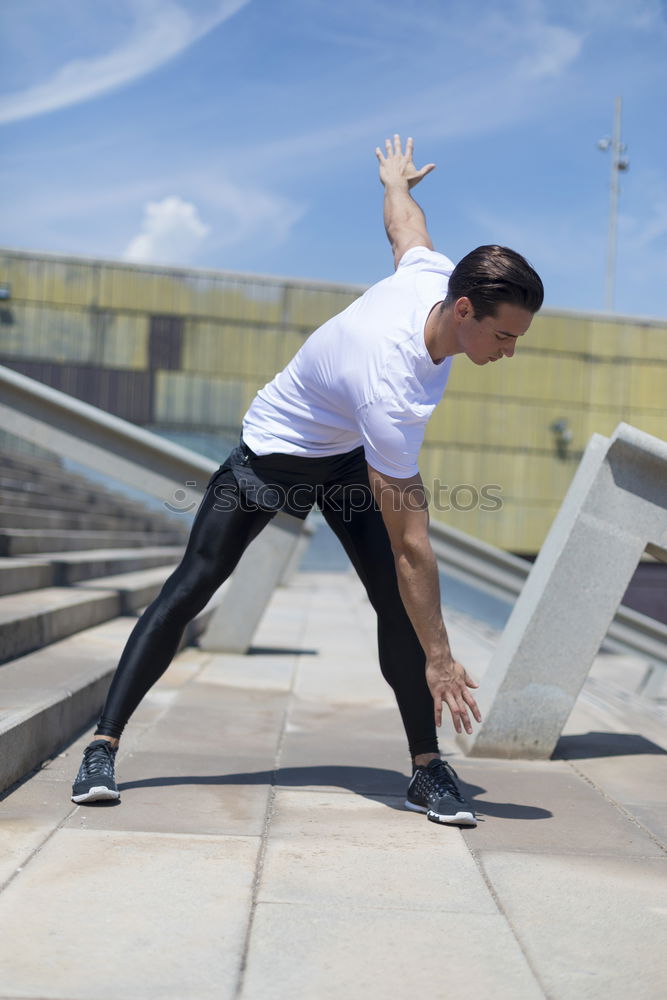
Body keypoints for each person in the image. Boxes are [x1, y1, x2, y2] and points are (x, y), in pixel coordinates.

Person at [72, 135, 543, 826]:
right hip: (273, 454)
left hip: (344, 455)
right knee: (191, 587)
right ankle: (102, 745)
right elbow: (414, 543)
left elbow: (404, 231)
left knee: (395, 604)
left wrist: (394, 183)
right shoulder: (392, 387)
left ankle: (425, 768)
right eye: (504, 337)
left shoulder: (432, 279)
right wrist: (441, 659)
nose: (508, 352)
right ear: (465, 309)